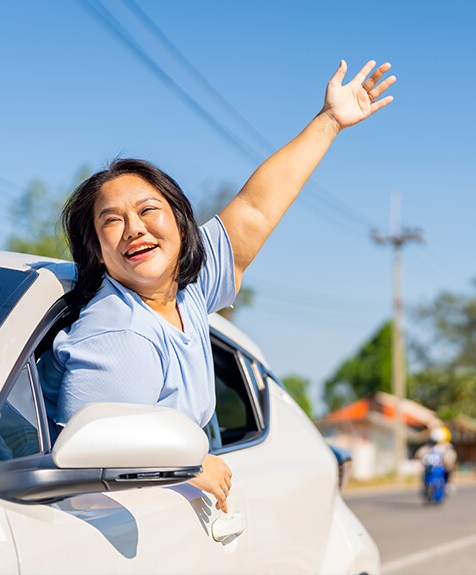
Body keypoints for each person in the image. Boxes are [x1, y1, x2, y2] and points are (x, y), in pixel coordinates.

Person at [40, 59, 396, 513]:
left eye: (148, 211)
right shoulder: (119, 335)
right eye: (112, 221)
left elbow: (254, 210)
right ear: (97, 252)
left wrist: (328, 122)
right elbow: (86, 475)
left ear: (182, 227)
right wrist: (188, 464)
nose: (134, 229)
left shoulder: (184, 291)